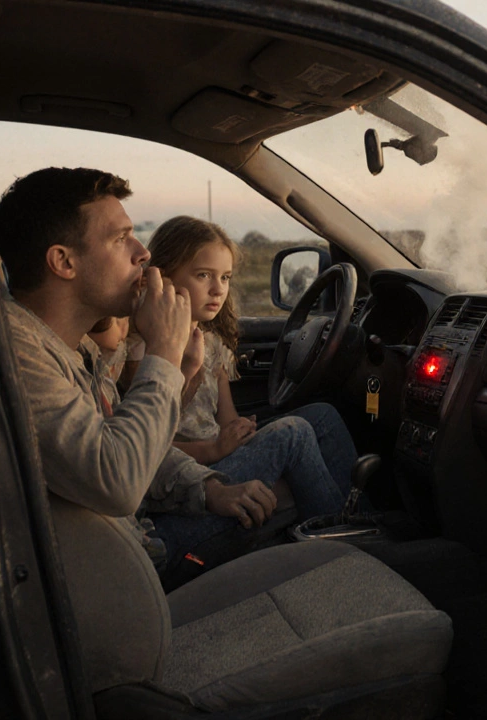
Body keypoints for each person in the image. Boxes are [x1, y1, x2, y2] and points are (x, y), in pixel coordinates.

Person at [0, 167, 282, 572]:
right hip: (127, 572)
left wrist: (208, 488)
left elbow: (133, 442)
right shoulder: (19, 356)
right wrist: (164, 352)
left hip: (137, 546)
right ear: (63, 261)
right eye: (120, 238)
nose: (143, 252)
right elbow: (118, 478)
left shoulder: (78, 350)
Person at [125, 216, 360, 573]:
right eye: (203, 275)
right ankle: (346, 548)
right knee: (293, 433)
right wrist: (217, 449)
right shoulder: (143, 352)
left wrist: (241, 432)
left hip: (218, 453)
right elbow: (148, 445)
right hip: (191, 471)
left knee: (323, 416)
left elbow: (226, 419)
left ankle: (363, 518)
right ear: (164, 276)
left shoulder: (213, 345)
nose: (218, 289)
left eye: (225, 278)